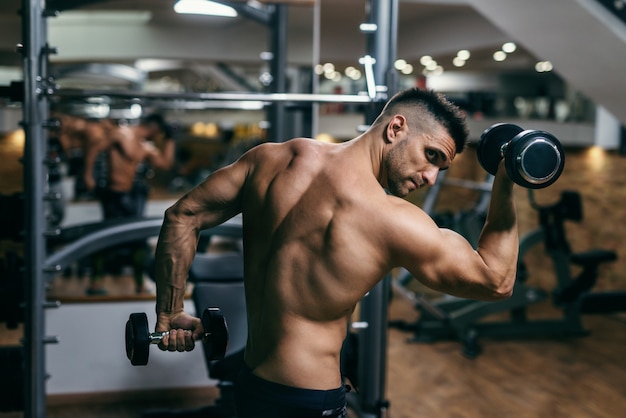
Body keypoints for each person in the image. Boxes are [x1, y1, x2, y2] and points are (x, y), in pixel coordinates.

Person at [152, 88, 519, 418]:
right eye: (430, 155)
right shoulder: (391, 219)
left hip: (250, 386)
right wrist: (507, 181)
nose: (430, 177)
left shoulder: (272, 159)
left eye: (440, 167)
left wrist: (169, 312)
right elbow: (496, 281)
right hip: (308, 401)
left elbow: (183, 215)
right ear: (396, 128)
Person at [79, 114, 175, 294]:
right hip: (113, 193)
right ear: (154, 128)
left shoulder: (145, 146)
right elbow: (94, 147)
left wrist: (170, 139)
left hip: (131, 195)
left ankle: (139, 284)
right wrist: (87, 174)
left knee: (137, 240)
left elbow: (165, 163)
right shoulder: (122, 133)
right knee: (105, 237)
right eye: (160, 134)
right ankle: (95, 283)